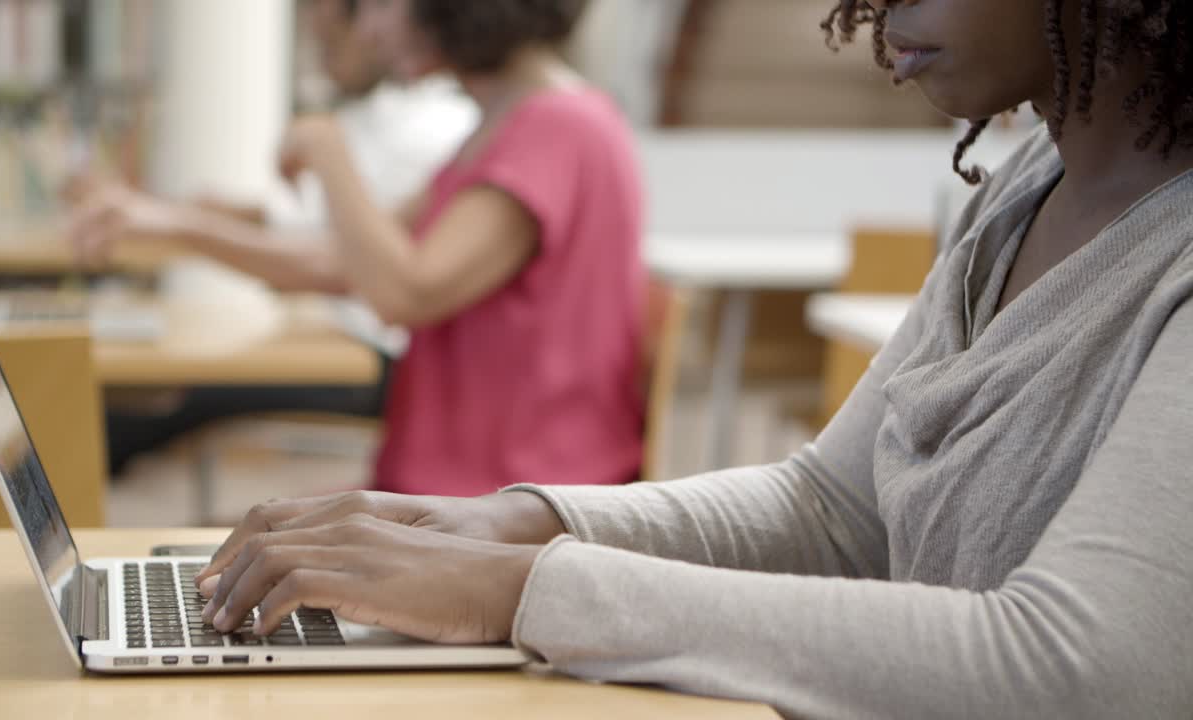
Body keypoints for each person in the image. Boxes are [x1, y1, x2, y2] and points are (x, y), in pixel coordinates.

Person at [192, 0, 1193, 717]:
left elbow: (1080, 673)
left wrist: (520, 586)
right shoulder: (1019, 192)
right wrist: (507, 522)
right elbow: (832, 514)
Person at [68, 0, 477, 476]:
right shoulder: (400, 121)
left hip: (386, 364)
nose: (370, 32)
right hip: (364, 347)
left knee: (176, 403)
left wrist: (325, 151)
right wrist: (164, 212)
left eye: (331, 38)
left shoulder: (433, 128)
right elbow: (310, 237)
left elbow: (346, 267)